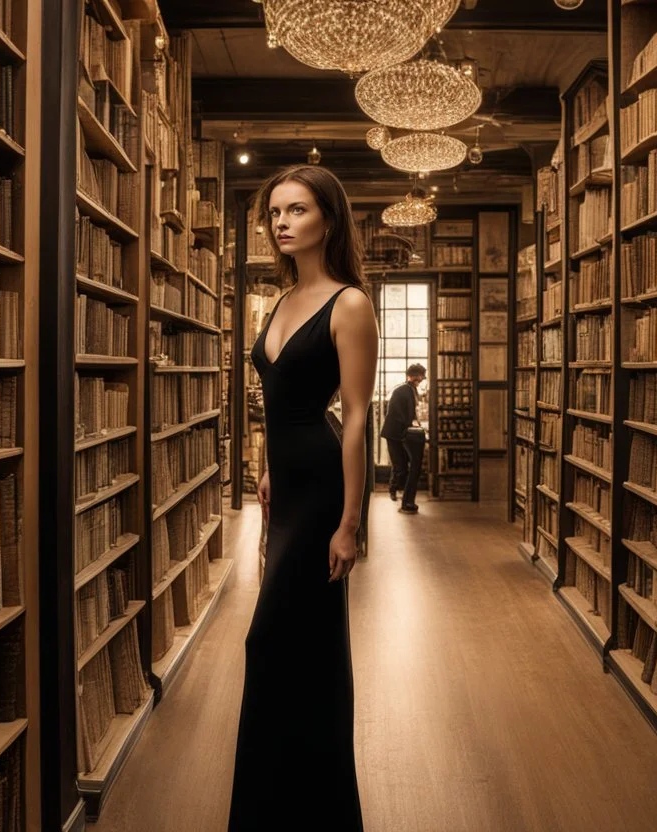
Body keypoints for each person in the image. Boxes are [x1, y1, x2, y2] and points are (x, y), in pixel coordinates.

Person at [229, 164, 377, 831]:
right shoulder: (280, 298)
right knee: (297, 648)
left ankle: (296, 809)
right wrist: (263, 466)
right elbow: (274, 404)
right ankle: (290, 806)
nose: (282, 222)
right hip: (283, 486)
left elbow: (355, 415)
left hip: (321, 487)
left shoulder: (348, 303)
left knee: (271, 643)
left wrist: (351, 523)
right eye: (275, 213)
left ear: (329, 218)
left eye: (297, 210)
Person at [381, 363, 427, 514]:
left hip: (397, 432)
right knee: (400, 464)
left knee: (401, 463)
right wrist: (413, 425)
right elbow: (407, 414)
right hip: (396, 433)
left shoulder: (407, 389)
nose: (422, 378)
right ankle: (394, 490)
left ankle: (396, 491)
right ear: (416, 376)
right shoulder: (406, 391)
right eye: (421, 376)